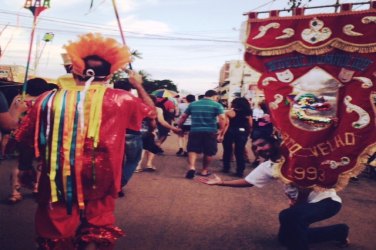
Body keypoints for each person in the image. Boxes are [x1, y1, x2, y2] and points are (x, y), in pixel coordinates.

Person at [16, 33, 155, 250]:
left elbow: (25, 139)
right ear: (109, 74)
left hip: (56, 179)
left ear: (74, 69)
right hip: (103, 177)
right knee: (97, 227)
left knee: (55, 230)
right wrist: (137, 85)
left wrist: (24, 167)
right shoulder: (122, 99)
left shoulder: (47, 99)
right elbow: (152, 113)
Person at [198, 135, 350, 250]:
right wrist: (221, 183)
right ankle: (339, 231)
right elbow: (248, 181)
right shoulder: (268, 166)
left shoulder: (296, 156)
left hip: (327, 202)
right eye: (255, 148)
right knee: (286, 238)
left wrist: (296, 204)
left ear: (274, 142)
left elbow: (305, 187)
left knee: (289, 216)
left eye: (262, 144)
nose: (258, 149)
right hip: (305, 205)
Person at [8, 77, 50, 204]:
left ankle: (15, 192)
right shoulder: (44, 100)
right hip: (38, 137)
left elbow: (11, 116)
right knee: (40, 162)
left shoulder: (18, 99)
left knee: (19, 163)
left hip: (19, 136)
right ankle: (37, 187)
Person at [113, 76, 155, 197]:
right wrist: (138, 85)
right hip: (131, 135)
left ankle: (113, 185)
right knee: (132, 160)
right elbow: (152, 112)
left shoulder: (106, 98)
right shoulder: (134, 101)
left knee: (115, 162)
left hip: (111, 134)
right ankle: (118, 185)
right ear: (130, 90)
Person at [178, 90, 226, 179]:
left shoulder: (193, 104)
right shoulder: (217, 105)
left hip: (195, 130)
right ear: (214, 96)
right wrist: (221, 129)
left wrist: (179, 126)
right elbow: (222, 118)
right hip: (210, 131)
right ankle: (204, 170)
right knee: (208, 151)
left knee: (192, 149)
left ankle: (192, 167)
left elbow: (184, 116)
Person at [135, 95, 180, 172]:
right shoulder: (157, 109)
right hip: (151, 131)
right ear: (155, 102)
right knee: (151, 147)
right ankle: (149, 164)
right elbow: (162, 121)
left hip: (137, 130)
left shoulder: (137, 108)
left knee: (141, 148)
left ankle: (138, 166)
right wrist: (173, 128)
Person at [222, 97, 253, 177]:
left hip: (230, 131)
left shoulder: (230, 112)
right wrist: (247, 132)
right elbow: (250, 124)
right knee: (240, 151)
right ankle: (240, 171)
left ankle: (226, 167)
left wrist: (221, 133)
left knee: (227, 149)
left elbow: (226, 124)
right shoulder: (248, 113)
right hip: (243, 132)